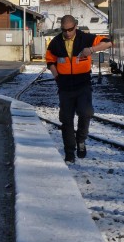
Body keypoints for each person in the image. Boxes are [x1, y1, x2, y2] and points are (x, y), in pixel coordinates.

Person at [45, 15, 111, 163]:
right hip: (65, 87)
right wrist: (57, 78)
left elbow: (108, 43)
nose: (67, 33)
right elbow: (50, 62)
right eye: (64, 30)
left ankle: (81, 140)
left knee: (86, 112)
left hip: (83, 85)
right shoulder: (55, 43)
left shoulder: (85, 39)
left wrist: (92, 49)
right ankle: (69, 153)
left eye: (70, 29)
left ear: (76, 26)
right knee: (66, 120)